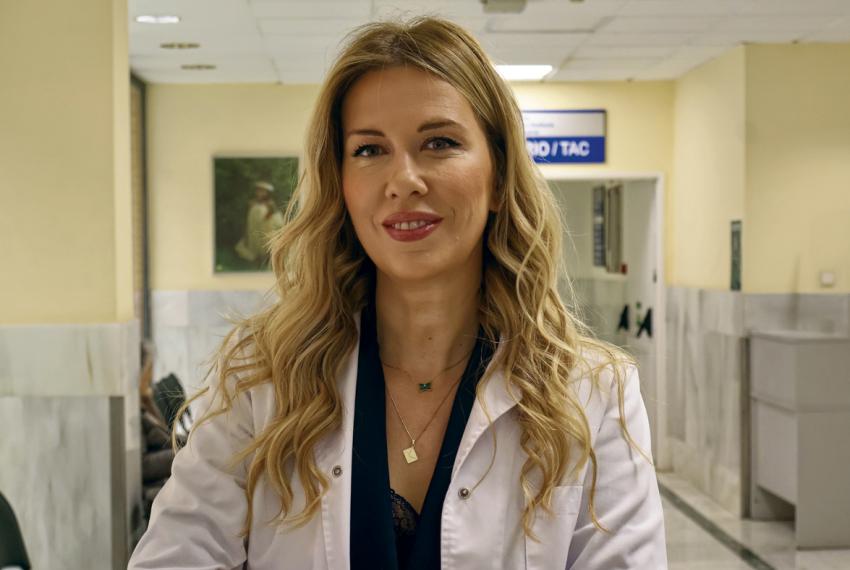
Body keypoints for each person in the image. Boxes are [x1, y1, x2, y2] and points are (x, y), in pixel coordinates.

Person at [129, 16, 667, 570]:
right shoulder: (261, 379)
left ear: (499, 177)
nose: (403, 179)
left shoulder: (594, 394)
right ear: (340, 183)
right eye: (369, 149)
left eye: (439, 142)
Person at [234, 180, 285, 266]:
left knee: (264, 239)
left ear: (267, 193)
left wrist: (267, 216)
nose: (260, 193)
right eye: (258, 191)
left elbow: (272, 216)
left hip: (265, 226)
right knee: (254, 239)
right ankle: (257, 256)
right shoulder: (253, 203)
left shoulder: (269, 203)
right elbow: (250, 217)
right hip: (255, 226)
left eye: (262, 191)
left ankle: (265, 256)